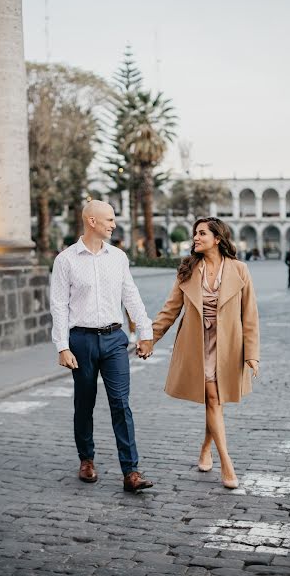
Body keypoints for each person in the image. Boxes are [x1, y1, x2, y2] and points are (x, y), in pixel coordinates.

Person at [138, 217, 259, 489]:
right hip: (198, 344)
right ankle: (227, 464)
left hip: (228, 344)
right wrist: (150, 339)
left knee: (215, 401)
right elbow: (170, 310)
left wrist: (252, 353)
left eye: (202, 233)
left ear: (218, 239)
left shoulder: (240, 270)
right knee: (213, 398)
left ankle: (206, 447)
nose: (196, 237)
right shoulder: (188, 270)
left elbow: (249, 314)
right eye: (195, 233)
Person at [50, 200, 154, 492]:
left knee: (121, 404)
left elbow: (130, 295)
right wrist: (62, 346)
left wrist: (145, 332)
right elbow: (58, 306)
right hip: (80, 341)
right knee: (84, 403)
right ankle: (86, 459)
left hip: (114, 340)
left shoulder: (118, 258)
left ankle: (131, 471)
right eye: (108, 219)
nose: (113, 224)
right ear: (91, 221)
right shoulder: (66, 260)